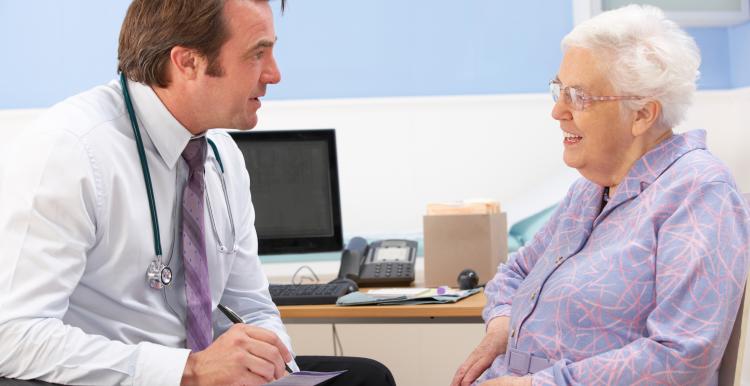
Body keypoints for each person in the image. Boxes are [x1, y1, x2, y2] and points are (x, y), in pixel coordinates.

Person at [0, 1, 395, 385]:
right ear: (188, 62)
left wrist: (277, 369)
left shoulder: (223, 157)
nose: (274, 74)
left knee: (368, 377)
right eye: (258, 54)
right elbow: (11, 336)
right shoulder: (71, 151)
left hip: (202, 374)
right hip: (123, 377)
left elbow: (250, 308)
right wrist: (186, 371)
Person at [451, 5, 750, 386]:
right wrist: (502, 329)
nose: (557, 111)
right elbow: (516, 271)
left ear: (642, 113)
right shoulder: (591, 190)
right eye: (559, 90)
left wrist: (536, 384)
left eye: (578, 96)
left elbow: (682, 356)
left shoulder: (700, 192)